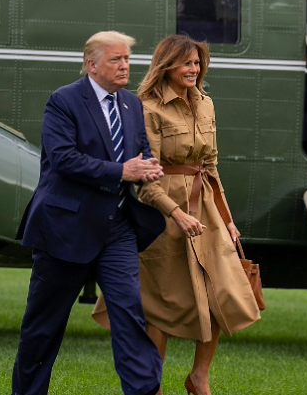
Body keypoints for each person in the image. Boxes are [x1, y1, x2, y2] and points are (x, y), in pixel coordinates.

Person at [92, 34, 261, 395]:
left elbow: (211, 166)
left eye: (197, 63)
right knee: (162, 305)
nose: (193, 69)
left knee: (223, 295)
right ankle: (150, 385)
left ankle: (199, 377)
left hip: (208, 210)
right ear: (167, 66)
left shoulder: (207, 104)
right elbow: (144, 176)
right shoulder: (146, 108)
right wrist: (174, 213)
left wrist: (227, 217)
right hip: (163, 211)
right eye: (186, 63)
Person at [13, 31, 165, 395]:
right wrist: (122, 171)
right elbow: (63, 158)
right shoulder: (63, 101)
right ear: (91, 64)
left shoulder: (132, 104)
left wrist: (146, 166)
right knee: (44, 327)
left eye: (127, 59)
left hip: (117, 229)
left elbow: (139, 150)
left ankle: (144, 391)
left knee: (129, 315)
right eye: (116, 59)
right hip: (65, 227)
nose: (125, 66)